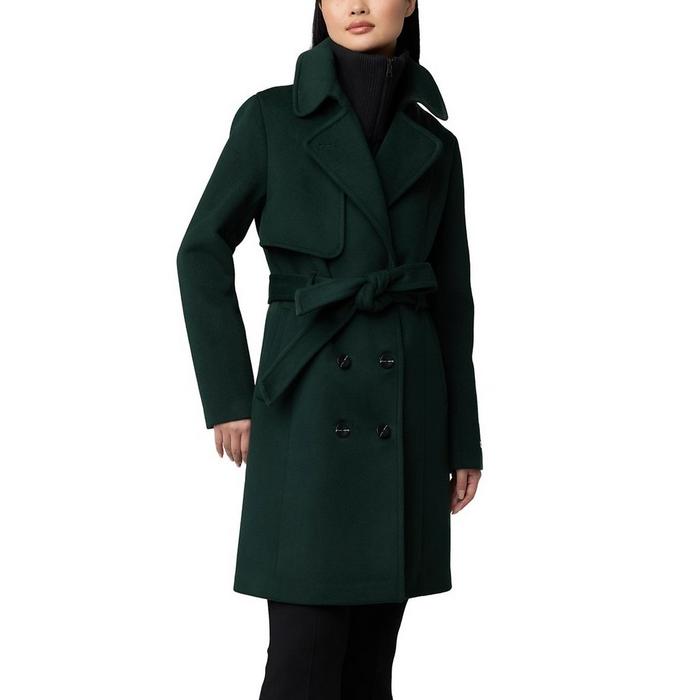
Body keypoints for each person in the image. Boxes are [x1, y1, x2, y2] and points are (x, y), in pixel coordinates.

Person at [176, 1, 484, 697]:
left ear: (411, 2)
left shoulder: (435, 143)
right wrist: (229, 396)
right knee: (302, 666)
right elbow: (200, 252)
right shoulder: (270, 118)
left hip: (404, 414)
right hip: (306, 405)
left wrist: (461, 438)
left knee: (370, 670)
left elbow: (454, 298)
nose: (357, 4)